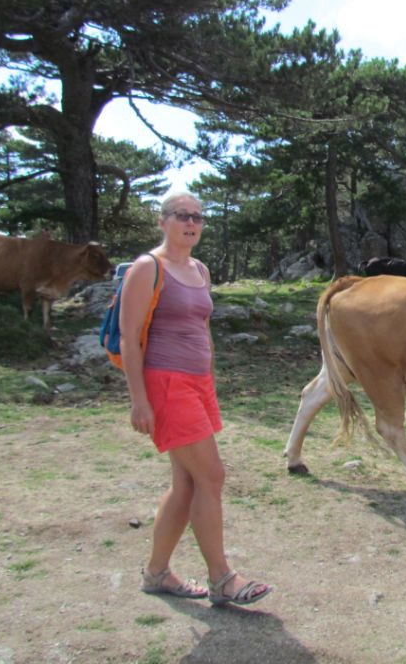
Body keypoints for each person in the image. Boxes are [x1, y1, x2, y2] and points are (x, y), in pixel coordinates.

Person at [120, 192, 273, 607]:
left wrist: (210, 375)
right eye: (182, 216)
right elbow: (129, 339)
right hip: (165, 384)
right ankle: (222, 577)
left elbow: (201, 326)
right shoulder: (147, 268)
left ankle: (156, 574)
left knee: (187, 483)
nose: (191, 223)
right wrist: (138, 400)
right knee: (211, 476)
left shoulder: (200, 269)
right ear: (163, 221)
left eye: (198, 218)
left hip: (198, 383)